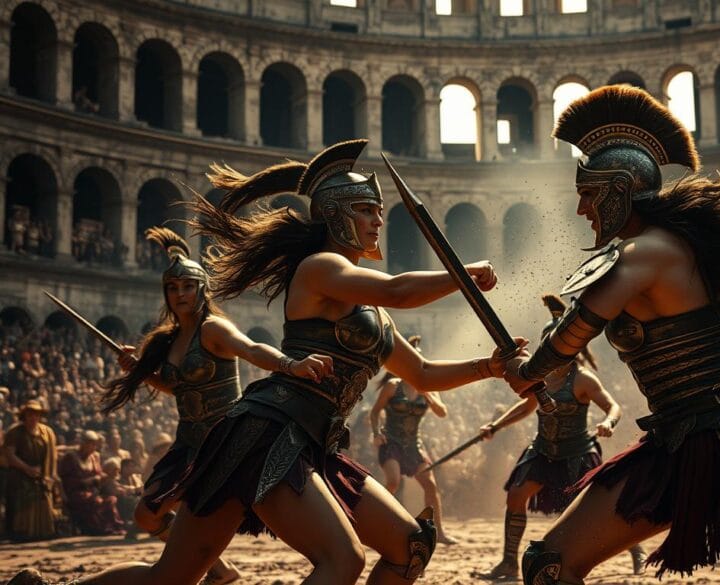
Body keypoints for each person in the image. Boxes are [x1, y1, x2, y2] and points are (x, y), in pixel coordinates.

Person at [6, 138, 515, 585]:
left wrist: (491, 366)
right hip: (265, 434)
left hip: (313, 444)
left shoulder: (373, 312)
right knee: (331, 562)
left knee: (409, 548)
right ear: (337, 216)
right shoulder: (320, 268)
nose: (379, 220)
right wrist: (462, 274)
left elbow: (422, 374)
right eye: (367, 209)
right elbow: (400, 289)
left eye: (376, 210)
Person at [500, 86, 720, 584]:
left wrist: (526, 370)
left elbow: (575, 332)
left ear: (620, 189)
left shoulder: (643, 254)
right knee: (549, 562)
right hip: (676, 438)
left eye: (589, 194)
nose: (581, 210)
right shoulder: (661, 247)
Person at [103, 226, 330, 584]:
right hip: (188, 442)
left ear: (201, 289)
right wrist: (141, 371)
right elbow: (177, 388)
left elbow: (252, 349)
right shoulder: (168, 340)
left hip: (226, 440)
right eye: (173, 288)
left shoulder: (213, 329)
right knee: (147, 516)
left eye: (188, 286)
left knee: (275, 513)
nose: (180, 294)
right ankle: (221, 571)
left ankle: (332, 551)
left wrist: (291, 365)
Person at [477, 295, 645, 580]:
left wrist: (608, 422)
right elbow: (527, 406)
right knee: (517, 496)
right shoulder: (537, 376)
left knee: (601, 509)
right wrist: (496, 425)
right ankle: (507, 563)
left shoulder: (583, 379)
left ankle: (636, 551)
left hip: (576, 453)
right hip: (543, 450)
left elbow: (612, 406)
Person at [370, 335, 458, 544]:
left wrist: (426, 391)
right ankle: (372, 522)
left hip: (414, 445)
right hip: (391, 442)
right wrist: (376, 433)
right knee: (393, 482)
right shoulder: (393, 385)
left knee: (430, 485)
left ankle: (439, 532)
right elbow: (375, 412)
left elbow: (442, 412)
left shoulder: (429, 387)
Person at [2, 400, 58, 541]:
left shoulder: (47, 432)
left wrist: (45, 474)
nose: (33, 417)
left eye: (36, 414)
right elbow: (10, 454)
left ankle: (42, 532)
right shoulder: (15, 432)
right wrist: (27, 469)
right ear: (24, 415)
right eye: (30, 414)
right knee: (23, 493)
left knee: (43, 493)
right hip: (19, 473)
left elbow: (51, 456)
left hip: (40, 473)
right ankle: (21, 533)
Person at [57, 429, 124, 535]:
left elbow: (99, 473)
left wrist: (105, 476)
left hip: (94, 490)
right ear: (83, 444)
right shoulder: (71, 457)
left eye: (95, 445)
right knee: (95, 501)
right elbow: (65, 479)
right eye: (91, 444)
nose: (93, 448)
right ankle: (99, 528)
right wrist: (86, 481)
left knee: (111, 499)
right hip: (76, 492)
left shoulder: (94, 457)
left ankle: (115, 526)